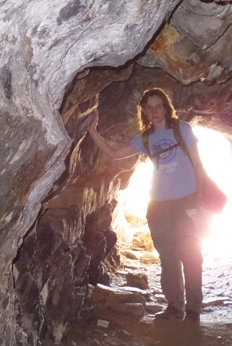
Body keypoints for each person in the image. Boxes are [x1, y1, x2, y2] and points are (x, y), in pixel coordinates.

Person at [87, 88, 207, 323]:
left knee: (191, 255)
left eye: (158, 106)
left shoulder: (183, 130)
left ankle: (193, 309)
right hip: (159, 205)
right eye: (149, 107)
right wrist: (92, 130)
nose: (154, 111)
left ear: (166, 107)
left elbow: (198, 164)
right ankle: (175, 307)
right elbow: (113, 154)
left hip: (186, 201)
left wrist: (200, 198)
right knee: (168, 257)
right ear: (144, 111)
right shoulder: (145, 139)